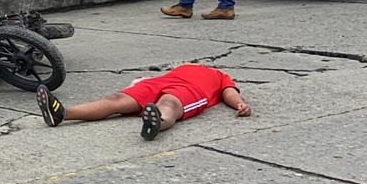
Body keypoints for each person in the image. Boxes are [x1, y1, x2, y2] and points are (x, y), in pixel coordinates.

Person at [36, 64, 252, 141]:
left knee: (170, 104)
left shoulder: (221, 75)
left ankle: (157, 121)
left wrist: (240, 104)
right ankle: (62, 113)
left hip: (190, 91)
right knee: (116, 100)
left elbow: (229, 92)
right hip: (160, 82)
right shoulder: (184, 66)